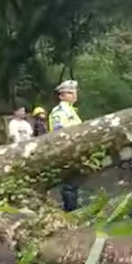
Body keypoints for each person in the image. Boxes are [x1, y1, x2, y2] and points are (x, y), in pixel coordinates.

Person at [49, 80, 82, 211]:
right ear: (61, 96)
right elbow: (59, 132)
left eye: (74, 92)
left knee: (74, 183)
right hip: (66, 149)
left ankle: (74, 209)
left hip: (76, 149)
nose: (74, 95)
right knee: (69, 184)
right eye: (69, 92)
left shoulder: (72, 111)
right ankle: (70, 212)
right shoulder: (59, 111)